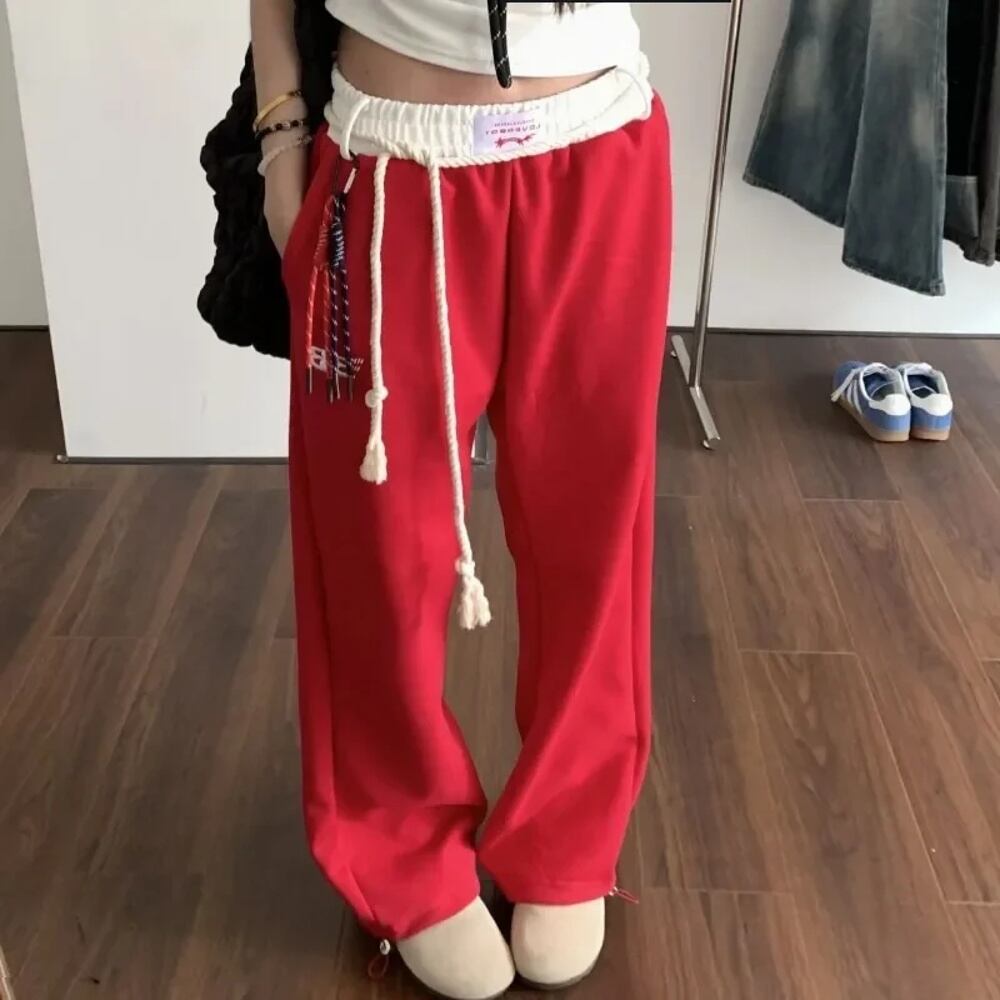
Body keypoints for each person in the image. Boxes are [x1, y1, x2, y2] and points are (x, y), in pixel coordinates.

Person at [249, 2, 670, 996]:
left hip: (598, 146)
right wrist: (280, 137)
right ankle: (398, 843)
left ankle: (569, 829)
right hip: (389, 162)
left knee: (592, 534)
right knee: (376, 552)